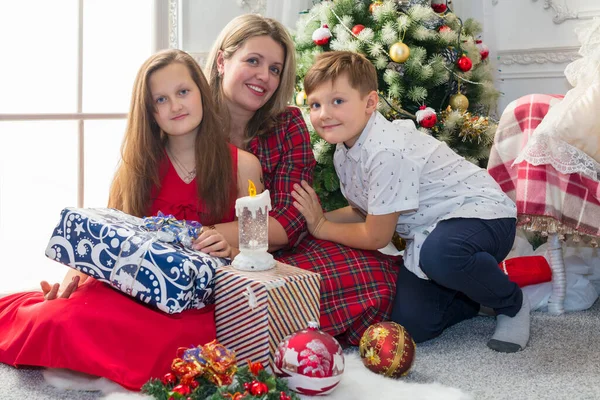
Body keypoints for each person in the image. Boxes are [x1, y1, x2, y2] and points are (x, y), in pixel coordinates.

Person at [0, 49, 263, 389]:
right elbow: (106, 241)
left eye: (183, 92)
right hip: (133, 290)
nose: (176, 105)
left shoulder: (244, 164)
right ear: (151, 113)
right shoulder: (136, 167)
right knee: (56, 320)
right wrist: (72, 278)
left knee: (189, 346)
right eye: (161, 99)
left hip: (199, 300)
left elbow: (259, 247)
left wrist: (229, 245)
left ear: (201, 92)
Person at [292, 50, 529, 353]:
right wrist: (311, 217)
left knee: (441, 255)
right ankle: (474, 295)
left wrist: (321, 226)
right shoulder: (344, 151)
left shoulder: (385, 150)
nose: (323, 113)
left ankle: (511, 302)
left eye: (337, 101)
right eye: (315, 104)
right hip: (429, 233)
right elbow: (363, 211)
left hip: (483, 216)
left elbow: (376, 235)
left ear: (370, 103)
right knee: (413, 326)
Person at [204, 14, 400, 345]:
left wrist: (207, 234)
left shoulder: (287, 124)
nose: (264, 77)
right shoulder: (191, 118)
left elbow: (286, 226)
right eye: (253, 61)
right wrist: (196, 239)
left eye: (275, 69)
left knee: (368, 270)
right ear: (223, 60)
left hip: (269, 250)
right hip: (200, 252)